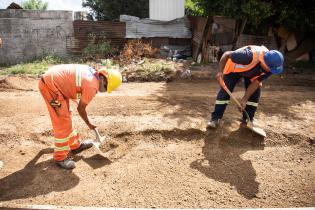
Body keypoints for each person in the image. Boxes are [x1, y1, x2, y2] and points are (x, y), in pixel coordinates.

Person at [39, 64, 122, 169]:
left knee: (67, 115)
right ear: (102, 79)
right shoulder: (92, 86)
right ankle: (60, 158)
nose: (104, 91)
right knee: (62, 121)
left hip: (57, 85)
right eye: (106, 87)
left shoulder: (93, 74)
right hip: (50, 88)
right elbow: (81, 109)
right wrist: (89, 123)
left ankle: (75, 145)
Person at [207, 45, 284, 129]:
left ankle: (248, 119)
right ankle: (215, 118)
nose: (270, 71)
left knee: (255, 93)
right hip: (234, 70)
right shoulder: (247, 56)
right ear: (264, 62)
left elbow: (256, 82)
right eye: (270, 68)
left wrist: (244, 99)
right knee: (225, 92)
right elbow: (226, 54)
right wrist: (220, 72)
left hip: (252, 74)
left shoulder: (271, 68)